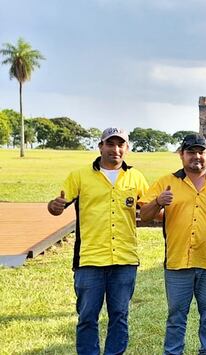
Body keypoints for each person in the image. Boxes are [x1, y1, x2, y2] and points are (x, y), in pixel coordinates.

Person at [139, 134, 206, 355]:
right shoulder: (166, 182)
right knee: (176, 315)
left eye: (201, 152)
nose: (196, 156)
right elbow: (145, 216)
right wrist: (158, 201)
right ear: (181, 155)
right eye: (191, 152)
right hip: (178, 262)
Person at [47, 127, 149, 355]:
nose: (115, 149)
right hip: (90, 259)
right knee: (87, 317)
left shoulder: (135, 177)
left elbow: (150, 210)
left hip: (124, 258)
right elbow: (57, 206)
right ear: (100, 146)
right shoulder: (80, 176)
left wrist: (164, 204)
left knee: (120, 316)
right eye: (110, 144)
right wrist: (53, 207)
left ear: (127, 148)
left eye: (120, 144)